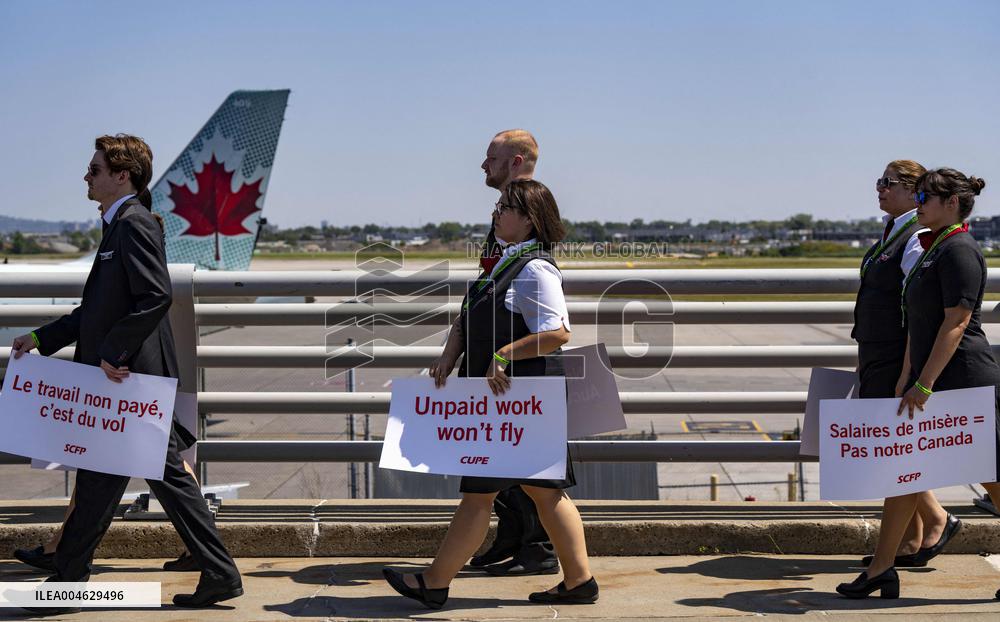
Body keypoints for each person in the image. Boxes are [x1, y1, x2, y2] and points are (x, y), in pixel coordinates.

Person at [10, 134, 242, 613]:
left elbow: (155, 295)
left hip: (129, 378)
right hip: (121, 379)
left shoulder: (133, 224)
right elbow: (95, 310)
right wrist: (40, 338)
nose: (86, 177)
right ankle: (70, 573)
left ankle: (218, 573)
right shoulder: (118, 225)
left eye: (94, 170)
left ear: (122, 176)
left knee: (161, 478)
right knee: (99, 478)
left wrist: (114, 352)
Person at [383, 180, 598, 608]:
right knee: (543, 491)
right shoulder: (503, 264)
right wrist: (449, 354)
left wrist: (502, 355)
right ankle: (578, 581)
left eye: (505, 207)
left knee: (485, 492)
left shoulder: (536, 268)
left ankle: (436, 581)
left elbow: (557, 333)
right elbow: (469, 317)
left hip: (516, 400)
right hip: (505, 402)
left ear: (530, 218)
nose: (495, 213)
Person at [837, 168, 1000, 599]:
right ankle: (881, 568)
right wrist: (907, 374)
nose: (920, 202)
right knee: (904, 471)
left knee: (992, 478)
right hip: (929, 377)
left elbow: (957, 321)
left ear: (952, 204)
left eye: (927, 196)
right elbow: (917, 322)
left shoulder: (960, 249)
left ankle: (883, 565)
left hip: (962, 376)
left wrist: (924, 383)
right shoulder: (934, 248)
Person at [853, 161, 961, 570]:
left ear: (915, 191)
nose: (879, 188)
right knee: (895, 448)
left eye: (889, 183)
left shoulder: (915, 237)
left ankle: (932, 523)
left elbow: (917, 306)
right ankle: (916, 535)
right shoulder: (894, 230)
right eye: (879, 181)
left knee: (896, 450)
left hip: (896, 355)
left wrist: (907, 369)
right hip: (879, 351)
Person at [462, 130, 561, 577]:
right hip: (492, 362)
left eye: (491, 158)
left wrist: (501, 354)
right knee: (503, 471)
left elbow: (549, 323)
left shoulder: (526, 218)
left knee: (522, 472)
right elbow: (481, 290)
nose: (484, 166)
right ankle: (515, 539)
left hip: (515, 369)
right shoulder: (503, 222)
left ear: (516, 161)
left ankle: (536, 547)